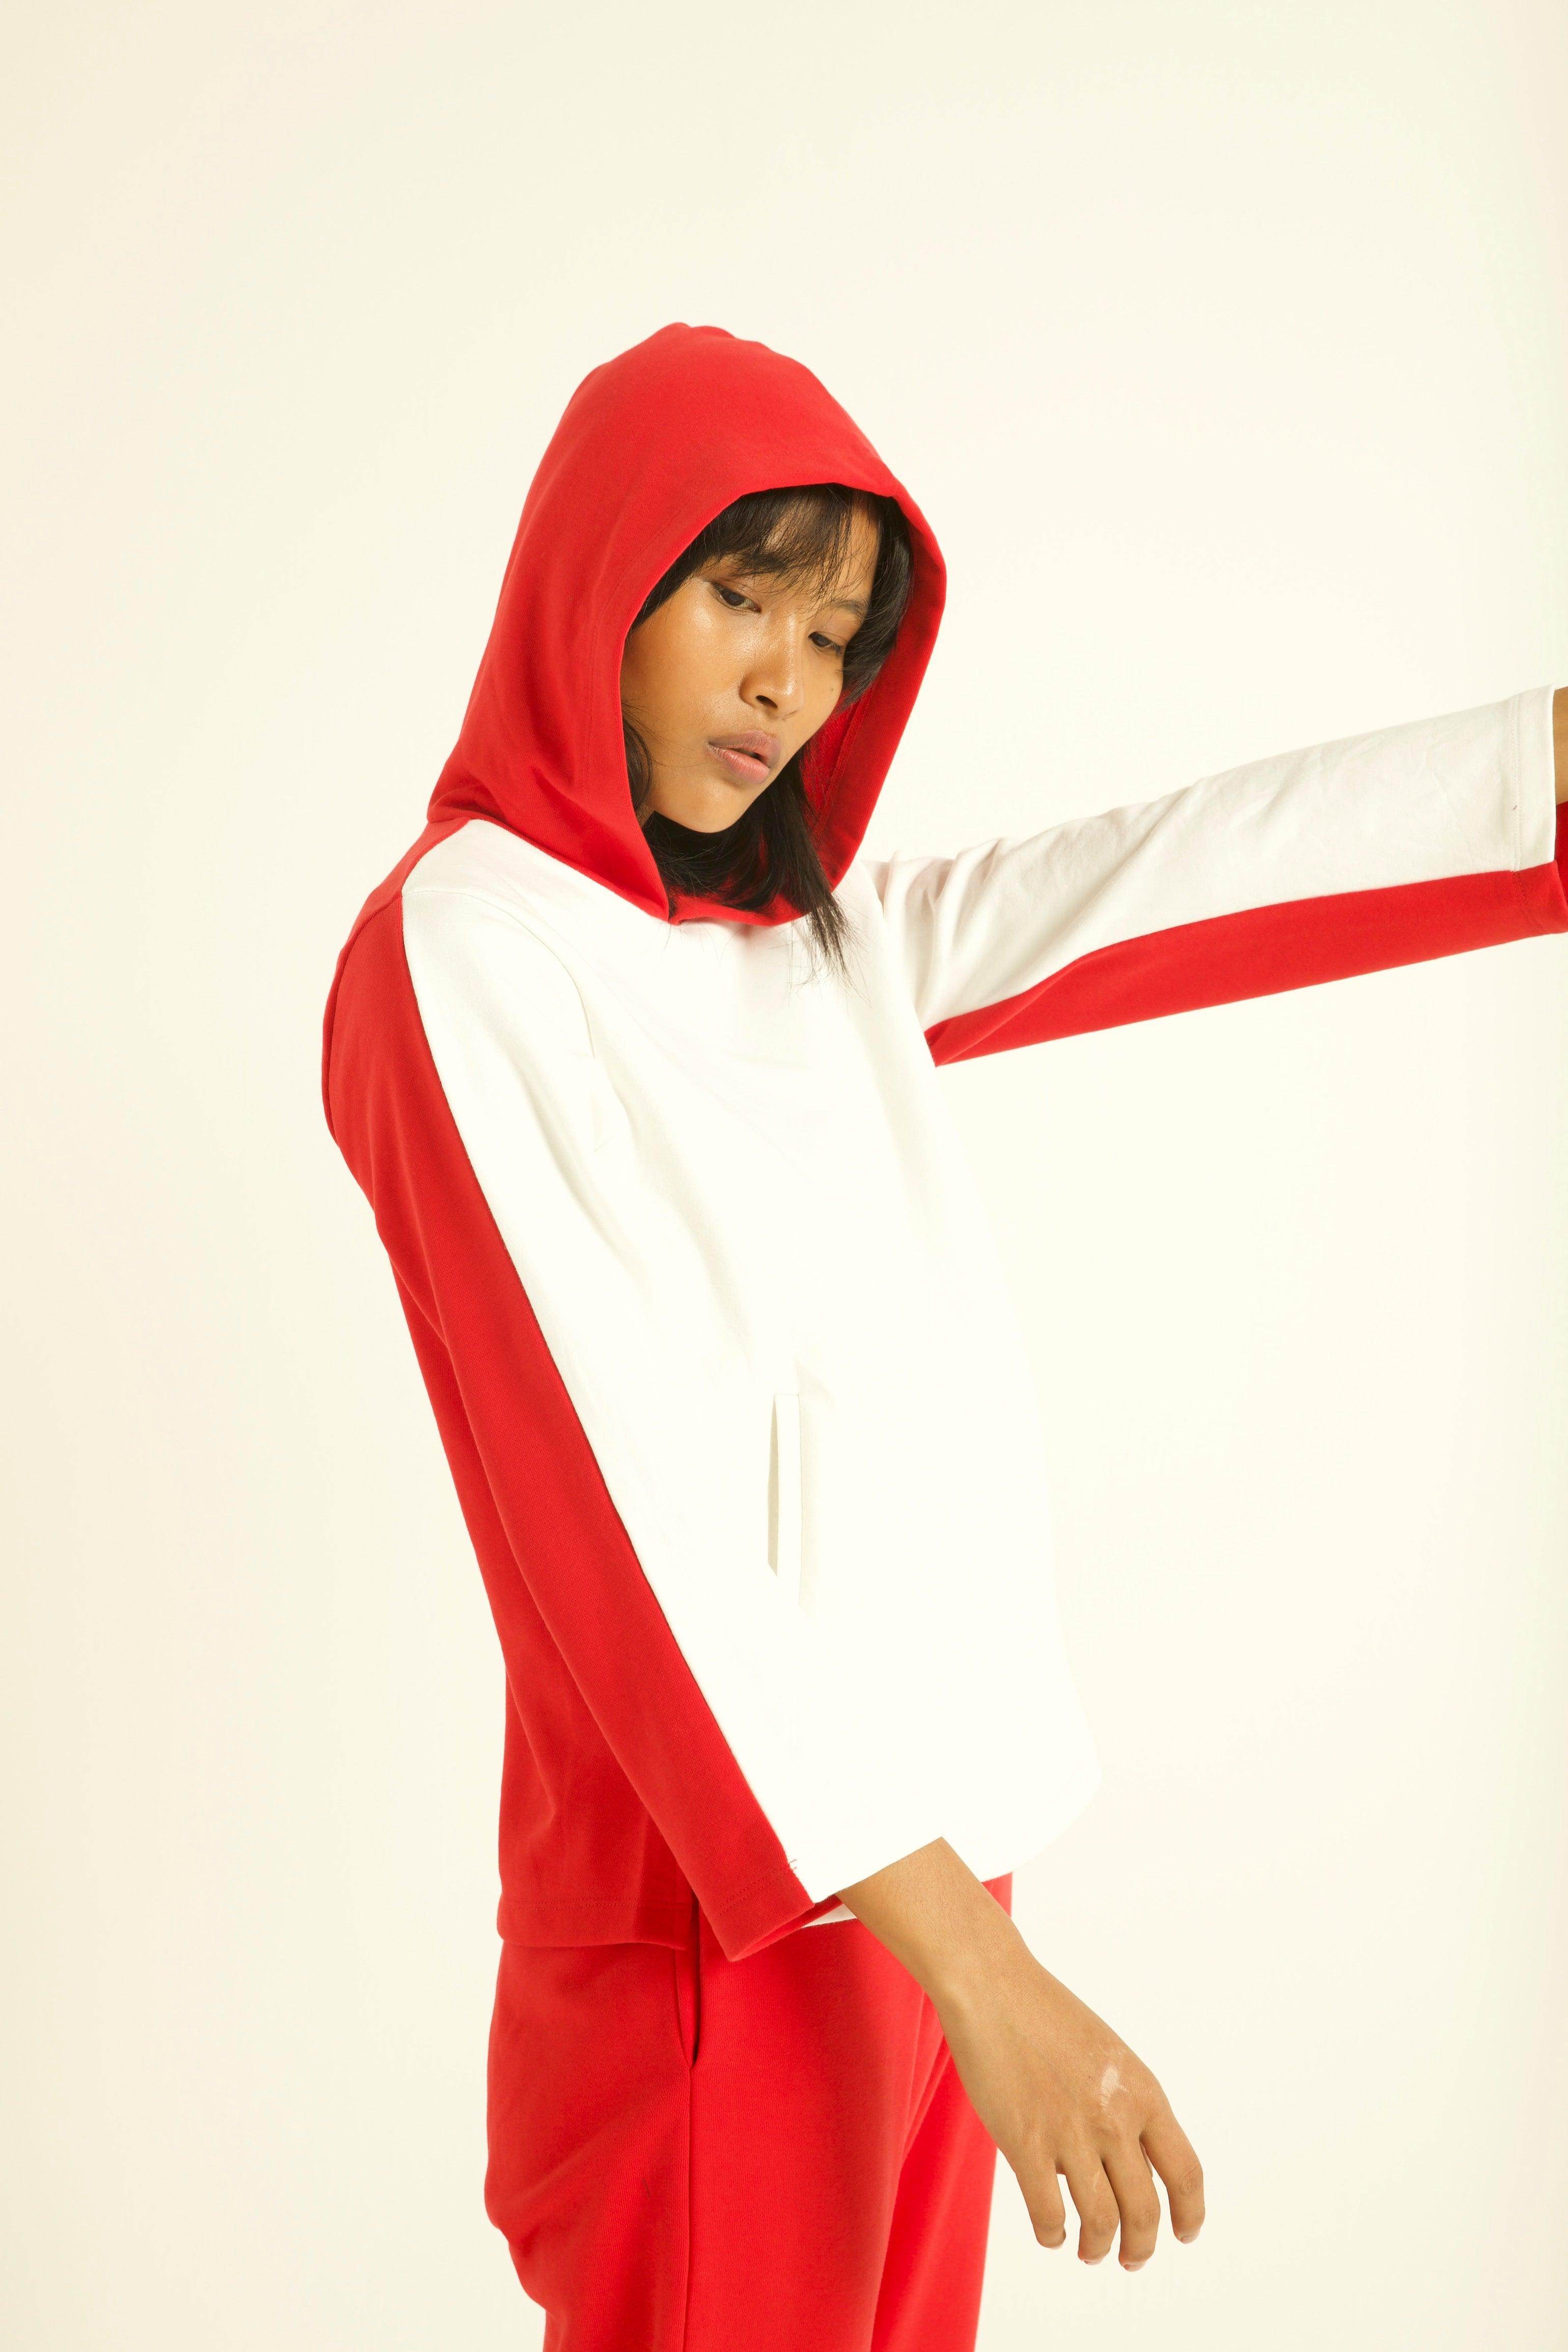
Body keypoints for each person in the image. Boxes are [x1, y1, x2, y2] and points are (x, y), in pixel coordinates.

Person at [320, 320, 1568, 2351]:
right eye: (741, 599)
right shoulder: (462, 950)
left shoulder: (819, 947)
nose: (785, 682)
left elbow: (1160, 873)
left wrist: (1536, 767)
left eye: (832, 636)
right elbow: (618, 1520)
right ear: (596, 579)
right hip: (717, 1930)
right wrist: (989, 1989)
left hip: (925, 1883)